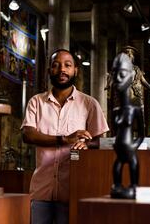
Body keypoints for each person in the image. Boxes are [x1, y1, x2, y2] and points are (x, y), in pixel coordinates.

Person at [21, 49, 109, 224]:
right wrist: (64, 139)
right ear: (49, 71)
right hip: (41, 192)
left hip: (74, 192)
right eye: (56, 65)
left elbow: (102, 142)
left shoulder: (89, 104)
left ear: (75, 70)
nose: (62, 70)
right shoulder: (36, 102)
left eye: (67, 65)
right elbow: (27, 134)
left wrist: (87, 145)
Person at [110, 52, 145, 199]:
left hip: (130, 152)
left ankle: (133, 187)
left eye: (122, 74)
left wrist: (134, 146)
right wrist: (115, 144)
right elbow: (113, 132)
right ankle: (118, 187)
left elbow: (142, 134)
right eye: (115, 74)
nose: (117, 79)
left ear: (131, 77)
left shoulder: (136, 110)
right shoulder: (115, 111)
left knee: (133, 175)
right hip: (120, 151)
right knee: (116, 174)